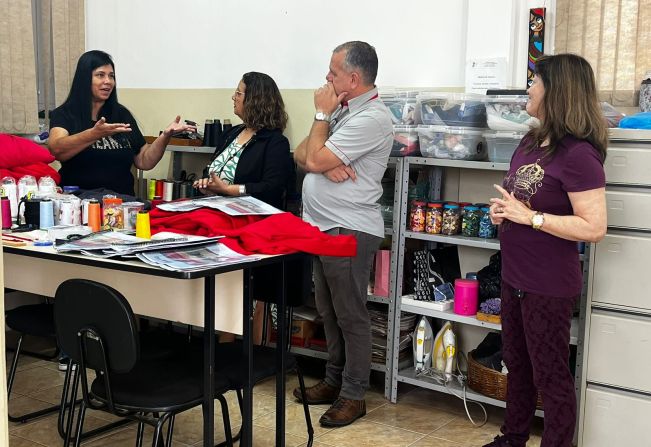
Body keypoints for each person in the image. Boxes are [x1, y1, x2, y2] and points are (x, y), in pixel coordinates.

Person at [484, 54, 608, 447]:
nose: (528, 88)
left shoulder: (580, 155)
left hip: (548, 285)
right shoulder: (530, 140)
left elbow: (594, 227)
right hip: (514, 275)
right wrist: (504, 212)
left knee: (550, 375)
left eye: (534, 82)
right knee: (516, 365)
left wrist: (531, 218)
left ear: (556, 91)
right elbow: (522, 201)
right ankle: (513, 437)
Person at [292, 41, 393, 427]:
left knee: (351, 316)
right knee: (328, 311)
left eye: (333, 73)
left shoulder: (373, 118)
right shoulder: (342, 112)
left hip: (348, 229)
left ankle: (354, 394)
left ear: (353, 78)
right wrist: (321, 160)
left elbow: (313, 157)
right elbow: (301, 153)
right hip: (322, 226)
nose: (327, 79)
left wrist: (320, 143)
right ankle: (333, 381)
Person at [193, 71, 294, 344]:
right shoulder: (231, 134)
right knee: (227, 292)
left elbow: (272, 187)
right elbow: (215, 169)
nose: (233, 98)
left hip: (255, 229)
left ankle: (254, 360)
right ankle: (224, 356)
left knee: (255, 296)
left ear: (255, 100)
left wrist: (231, 190)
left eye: (238, 93)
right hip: (219, 226)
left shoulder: (274, 142)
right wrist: (207, 183)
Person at [49, 50, 195, 196]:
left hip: (122, 205)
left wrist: (165, 136)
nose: (108, 81)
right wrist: (94, 134)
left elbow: (144, 160)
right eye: (100, 75)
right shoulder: (65, 114)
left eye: (111, 76)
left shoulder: (121, 114)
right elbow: (57, 149)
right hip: (80, 204)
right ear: (84, 78)